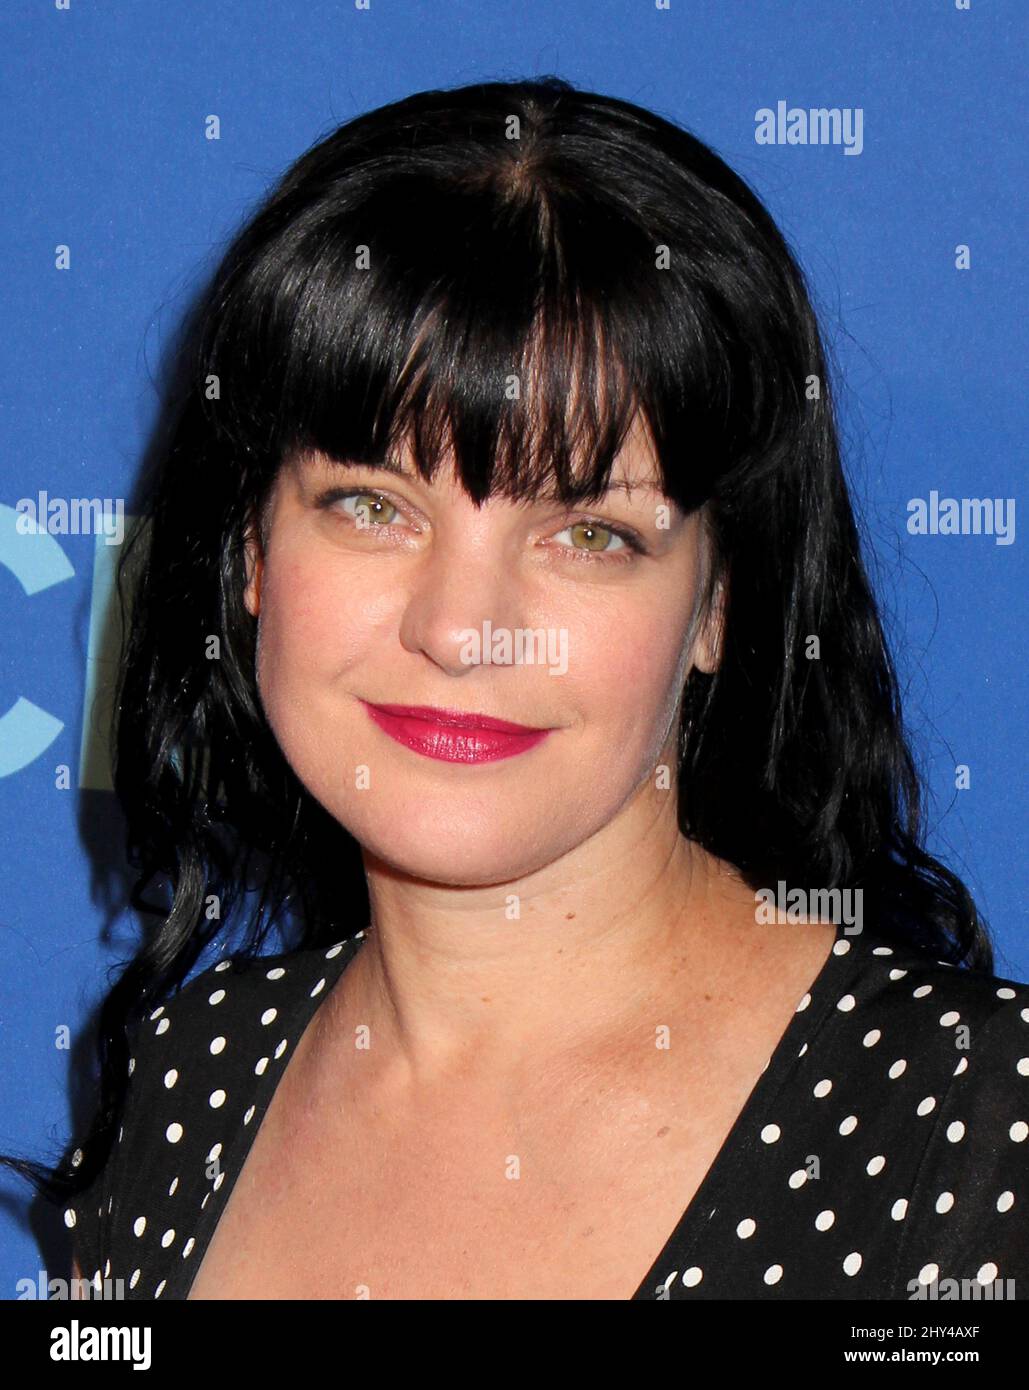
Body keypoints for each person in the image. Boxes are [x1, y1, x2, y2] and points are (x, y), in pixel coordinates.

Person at [7, 75, 1027, 1301]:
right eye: (372, 507)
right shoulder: (193, 1079)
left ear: (716, 605)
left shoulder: (966, 1121)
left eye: (589, 534)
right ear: (249, 558)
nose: (461, 631)